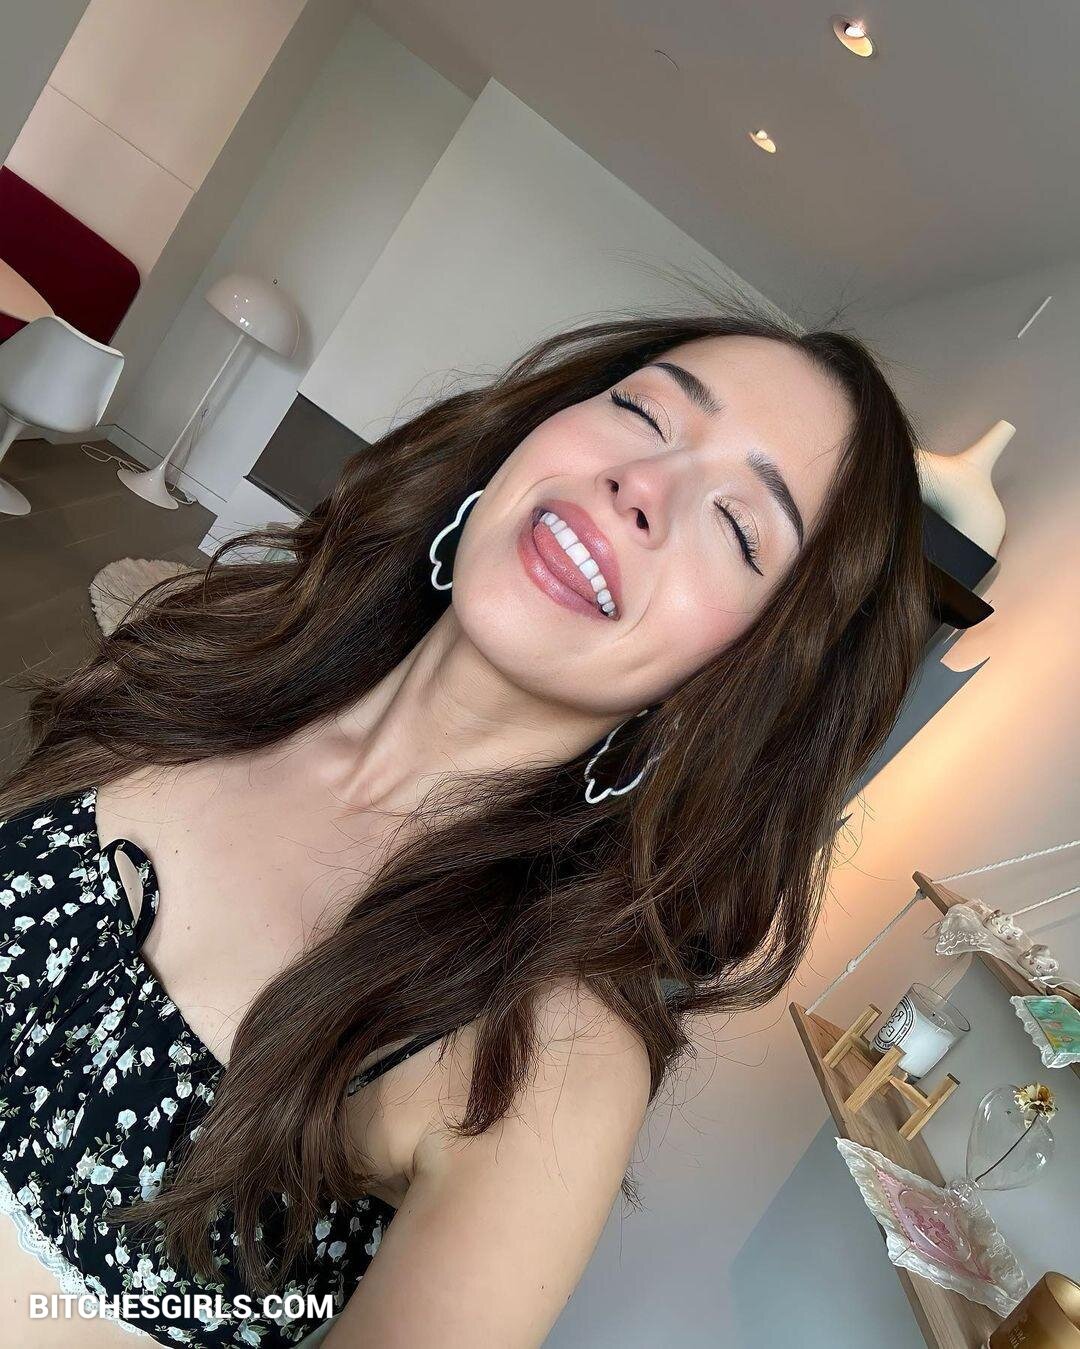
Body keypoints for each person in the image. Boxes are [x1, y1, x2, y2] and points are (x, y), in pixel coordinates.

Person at [0, 298, 930, 1347]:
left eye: (737, 526)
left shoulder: (546, 1057)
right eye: (643, 412)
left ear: (741, 680)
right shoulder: (218, 645)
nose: (643, 486)